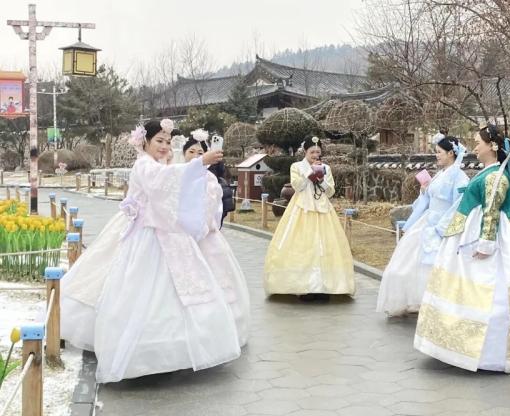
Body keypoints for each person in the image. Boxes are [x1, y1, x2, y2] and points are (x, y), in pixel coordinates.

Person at [61, 119, 242, 383]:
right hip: (146, 235)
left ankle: (169, 349)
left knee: (173, 291)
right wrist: (199, 163)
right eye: (159, 140)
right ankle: (145, 350)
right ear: (144, 141)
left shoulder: (158, 165)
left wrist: (198, 171)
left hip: (167, 232)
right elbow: (164, 181)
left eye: (168, 142)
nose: (164, 146)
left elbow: (173, 186)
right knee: (144, 289)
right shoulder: (144, 165)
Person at [414, 124, 510, 373]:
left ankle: (485, 354)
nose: (475, 147)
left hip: (485, 241)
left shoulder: (495, 176)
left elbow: (491, 213)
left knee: (487, 293)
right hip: (469, 231)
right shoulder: (488, 173)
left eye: (478, 142)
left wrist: (485, 245)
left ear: (492, 146)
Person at [376, 136, 469, 316]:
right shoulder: (441, 173)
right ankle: (414, 300)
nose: (437, 156)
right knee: (405, 264)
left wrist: (442, 227)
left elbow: (458, 204)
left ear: (451, 153)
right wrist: (425, 189)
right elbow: (428, 198)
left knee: (431, 265)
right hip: (427, 221)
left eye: (439, 152)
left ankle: (433, 303)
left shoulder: (459, 177)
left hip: (441, 225)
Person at [263, 135, 355, 300]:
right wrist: (309, 174)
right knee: (303, 247)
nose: (315, 155)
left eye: (318, 152)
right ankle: (304, 286)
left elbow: (330, 191)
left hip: (323, 210)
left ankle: (323, 287)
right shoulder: (296, 166)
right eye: (312, 152)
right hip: (302, 210)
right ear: (305, 151)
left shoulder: (326, 168)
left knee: (324, 247)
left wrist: (321, 179)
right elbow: (297, 186)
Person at [181, 134, 250, 345]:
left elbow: (215, 210)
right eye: (191, 152)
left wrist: (204, 227)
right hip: (182, 237)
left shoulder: (211, 180)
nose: (195, 156)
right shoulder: (177, 175)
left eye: (200, 152)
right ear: (183, 154)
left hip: (206, 236)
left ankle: (216, 328)